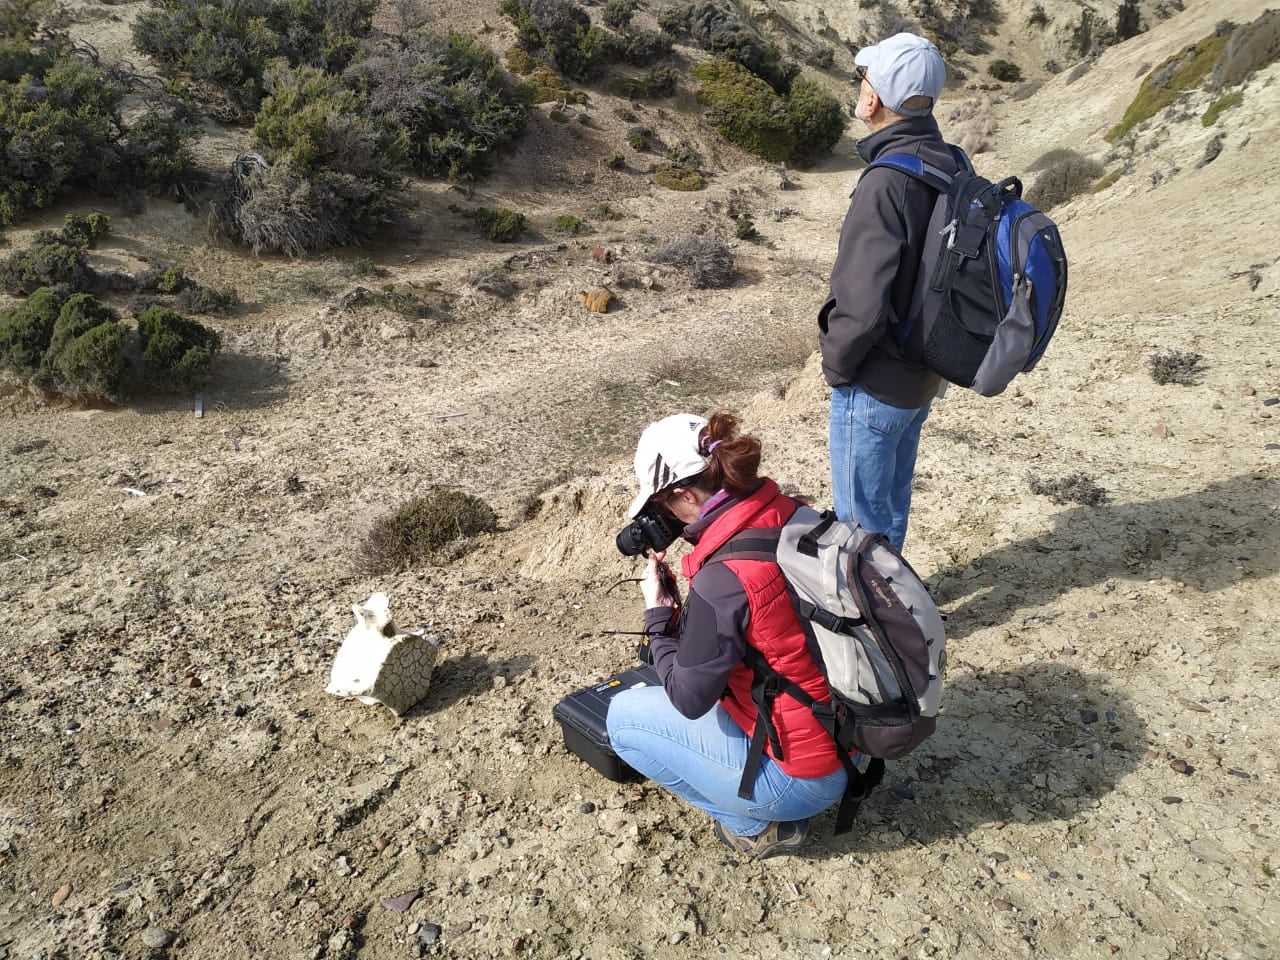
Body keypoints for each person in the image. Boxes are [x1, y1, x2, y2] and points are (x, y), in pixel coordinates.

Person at [605, 411, 849, 859]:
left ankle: (753, 826)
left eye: (660, 507)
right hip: (851, 734)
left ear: (681, 495)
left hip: (804, 775)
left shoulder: (723, 578)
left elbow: (688, 699)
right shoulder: (790, 511)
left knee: (622, 718)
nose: (662, 518)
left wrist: (658, 616)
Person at [818, 32, 955, 552]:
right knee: (890, 511)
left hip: (875, 382)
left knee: (859, 530)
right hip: (923, 372)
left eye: (864, 79)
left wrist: (837, 364)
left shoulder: (884, 182)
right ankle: (900, 606)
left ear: (873, 98)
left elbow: (862, 304)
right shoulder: (950, 161)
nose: (860, 89)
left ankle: (875, 627)